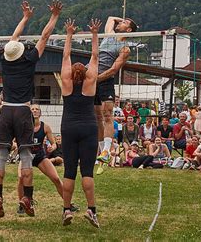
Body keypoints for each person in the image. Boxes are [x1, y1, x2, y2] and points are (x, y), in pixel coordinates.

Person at [0, 0, 62, 218]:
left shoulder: (5, 59)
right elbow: (44, 37)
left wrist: (25, 17)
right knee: (25, 158)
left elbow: (12, 41)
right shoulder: (29, 59)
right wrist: (54, 16)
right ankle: (27, 199)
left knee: (1, 156)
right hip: (23, 111)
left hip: (5, 111)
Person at [60, 18, 100, 227]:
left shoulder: (66, 82)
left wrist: (69, 33)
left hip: (68, 128)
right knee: (87, 171)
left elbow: (66, 54)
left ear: (70, 73)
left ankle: (66, 210)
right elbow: (94, 55)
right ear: (85, 73)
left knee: (69, 171)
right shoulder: (91, 80)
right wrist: (94, 33)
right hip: (88, 128)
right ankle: (91, 210)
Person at [17, 104, 78, 215]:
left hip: (40, 156)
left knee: (55, 178)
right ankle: (22, 205)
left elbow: (54, 143)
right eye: (32, 109)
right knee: (21, 178)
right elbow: (13, 141)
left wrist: (52, 147)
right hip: (26, 156)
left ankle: (68, 204)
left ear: (40, 113)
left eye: (37, 109)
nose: (35, 111)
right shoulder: (22, 126)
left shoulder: (45, 127)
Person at [94, 16, 137, 171]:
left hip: (104, 80)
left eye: (124, 23)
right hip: (92, 77)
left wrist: (96, 79)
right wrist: (123, 19)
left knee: (107, 115)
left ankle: (106, 150)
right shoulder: (109, 34)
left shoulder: (125, 48)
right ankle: (101, 154)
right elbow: (111, 18)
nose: (120, 23)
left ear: (129, 30)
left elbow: (113, 70)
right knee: (97, 117)